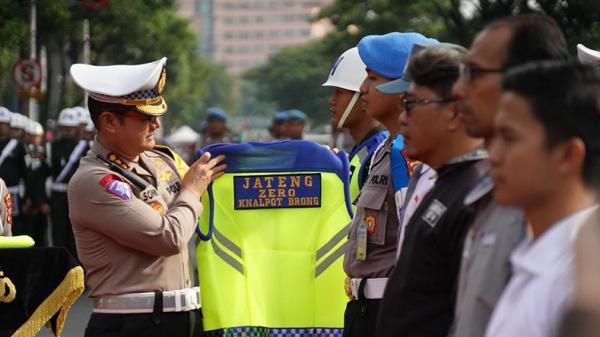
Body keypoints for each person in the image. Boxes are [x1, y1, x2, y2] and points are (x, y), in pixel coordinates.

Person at [68, 57, 226, 337]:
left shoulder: (161, 160)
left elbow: (218, 188)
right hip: (132, 323)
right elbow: (169, 238)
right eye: (145, 118)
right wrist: (191, 190)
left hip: (182, 318)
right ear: (109, 122)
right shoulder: (94, 180)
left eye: (157, 116)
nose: (156, 125)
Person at [448, 14, 569, 337]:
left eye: (473, 73)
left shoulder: (557, 207)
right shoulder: (493, 192)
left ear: (527, 77)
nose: (458, 90)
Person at [375, 44, 486, 337]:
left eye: (411, 104)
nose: (402, 118)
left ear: (453, 112)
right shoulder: (443, 180)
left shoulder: (475, 195)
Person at [484, 62, 600, 337]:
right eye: (494, 137)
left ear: (568, 155)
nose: (493, 155)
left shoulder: (577, 278)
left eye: (509, 138)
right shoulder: (538, 254)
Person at [342, 32, 435, 337]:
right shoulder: (386, 148)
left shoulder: (409, 154)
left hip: (391, 310)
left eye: (372, 77)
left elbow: (418, 248)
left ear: (403, 87)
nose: (362, 88)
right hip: (366, 308)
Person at [322, 46, 388, 201]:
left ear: (363, 95)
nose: (331, 100)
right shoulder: (363, 149)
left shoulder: (379, 152)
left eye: (339, 92)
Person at [48, 107, 89, 258]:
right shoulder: (52, 147)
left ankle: (74, 268)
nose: (67, 131)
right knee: (58, 235)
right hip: (57, 195)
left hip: (77, 196)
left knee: (75, 235)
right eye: (64, 127)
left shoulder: (86, 148)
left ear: (78, 128)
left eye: (70, 128)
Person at [0, 108, 27, 236]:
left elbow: (26, 173)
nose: (0, 127)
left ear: (9, 126)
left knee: (12, 227)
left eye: (3, 124)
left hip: (11, 193)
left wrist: (27, 197)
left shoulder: (18, 146)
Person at [23, 121, 50, 246]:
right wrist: (27, 199)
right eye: (32, 135)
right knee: (27, 233)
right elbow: (25, 178)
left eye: (38, 136)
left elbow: (46, 178)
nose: (35, 139)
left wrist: (44, 201)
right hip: (27, 200)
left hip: (42, 199)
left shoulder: (46, 153)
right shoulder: (22, 152)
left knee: (41, 235)